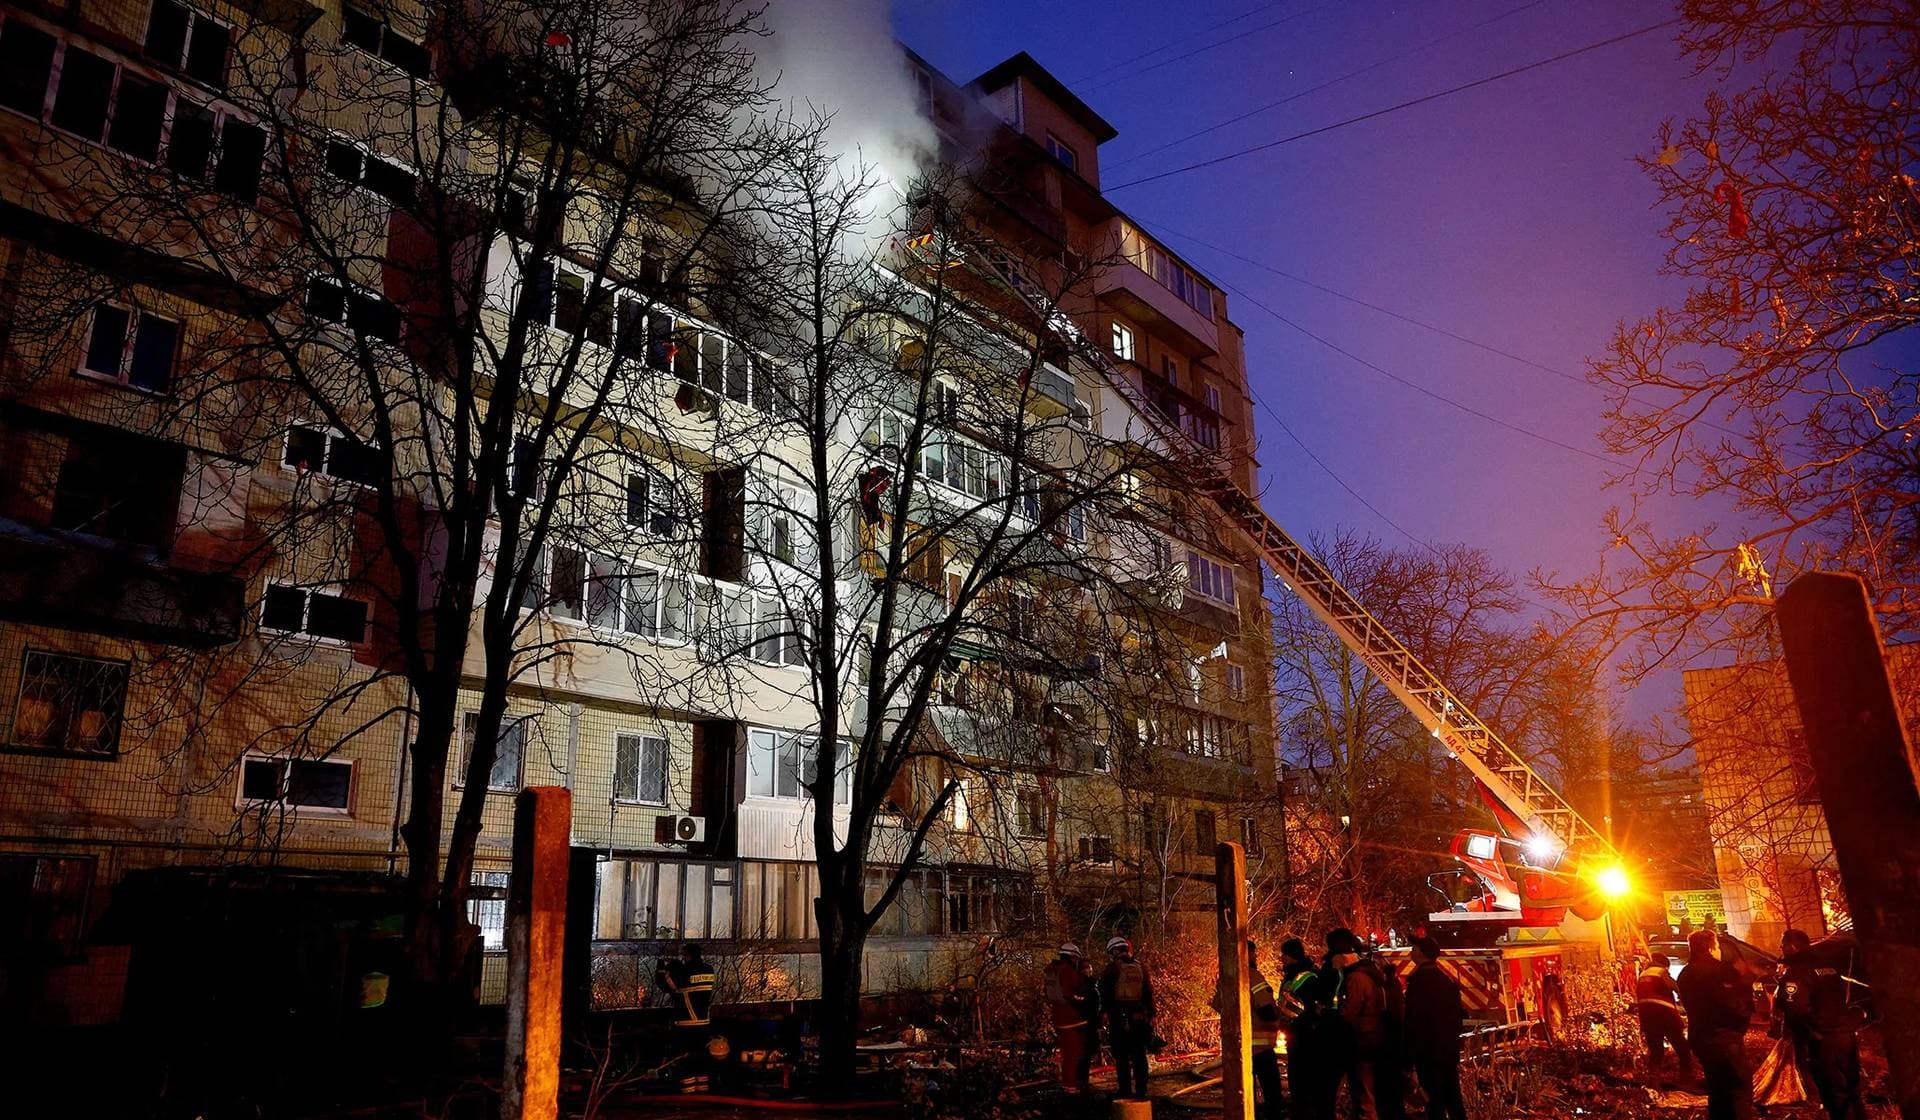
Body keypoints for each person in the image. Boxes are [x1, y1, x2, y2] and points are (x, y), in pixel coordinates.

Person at [1776, 929, 1865, 1120]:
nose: (1780, 948)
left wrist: (1811, 1034)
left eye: (1782, 944)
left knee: (1834, 1092)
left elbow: (1796, 1010)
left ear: (1792, 947)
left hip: (1823, 1039)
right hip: (1845, 1034)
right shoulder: (1827, 966)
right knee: (1852, 1090)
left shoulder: (1796, 973)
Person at [1677, 929, 1754, 1120]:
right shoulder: (1719, 971)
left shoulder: (1685, 974)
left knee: (1717, 1088)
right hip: (1723, 1037)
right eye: (1717, 946)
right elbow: (1730, 1004)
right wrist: (1745, 987)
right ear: (1711, 948)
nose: (1719, 950)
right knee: (1738, 1089)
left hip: (1700, 1037)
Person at [1328, 928, 1398, 1120]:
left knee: (1364, 1091)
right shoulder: (1371, 973)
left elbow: (1350, 1011)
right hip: (1375, 1037)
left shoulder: (1356, 979)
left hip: (1363, 1039)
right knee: (1374, 1089)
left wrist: (1333, 1016)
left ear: (1342, 957)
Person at [1213, 940, 1287, 1120]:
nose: (1256, 956)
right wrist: (1279, 1018)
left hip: (1237, 1047)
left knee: (1244, 1091)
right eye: (1253, 953)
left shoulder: (1225, 978)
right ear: (1246, 955)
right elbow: (1265, 1008)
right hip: (1260, 1048)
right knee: (1271, 1091)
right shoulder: (1252, 976)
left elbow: (1218, 1004)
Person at [1403, 936, 1466, 1120]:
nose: (1411, 951)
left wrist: (1407, 1058)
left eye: (1414, 948)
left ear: (1421, 953)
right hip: (1448, 1051)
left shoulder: (1419, 983)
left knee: (1434, 1100)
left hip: (1428, 1053)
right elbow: (1457, 1018)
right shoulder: (1446, 981)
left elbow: (1414, 1022)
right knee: (1454, 1098)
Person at [1282, 938, 1337, 1120]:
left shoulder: (1306, 977)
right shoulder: (1300, 974)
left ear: (1291, 956)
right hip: (1298, 1033)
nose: (1282, 958)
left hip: (1305, 1036)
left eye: (1284, 955)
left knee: (1302, 1081)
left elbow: (1308, 1007)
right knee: (1300, 1081)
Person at [1100, 936, 1156, 1100]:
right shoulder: (1141, 967)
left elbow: (1105, 993)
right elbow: (1149, 992)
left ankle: (1125, 1090)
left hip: (1118, 1018)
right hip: (1139, 1018)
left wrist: (1103, 1013)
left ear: (1115, 951)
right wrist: (1152, 1014)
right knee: (1139, 1055)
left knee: (1122, 1057)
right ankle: (1141, 1091)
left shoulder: (1112, 969)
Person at [1045, 942, 1099, 1094]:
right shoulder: (1067, 971)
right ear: (1071, 957)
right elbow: (1072, 992)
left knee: (1068, 1053)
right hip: (1071, 1019)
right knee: (1073, 1054)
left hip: (1058, 1017)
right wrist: (1083, 999)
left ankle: (1070, 1084)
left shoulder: (1051, 970)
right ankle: (1071, 1086)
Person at [1636, 952, 1693, 1084]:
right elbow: (1676, 988)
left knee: (1656, 1051)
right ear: (1665, 965)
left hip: (1647, 1017)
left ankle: (1653, 1082)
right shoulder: (1661, 972)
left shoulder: (1642, 974)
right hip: (1665, 1015)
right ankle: (1687, 1080)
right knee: (1682, 1048)